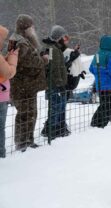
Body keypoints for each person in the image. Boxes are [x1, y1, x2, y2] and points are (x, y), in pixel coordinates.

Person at [9, 14, 48, 151]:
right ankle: (23, 143)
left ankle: (27, 140)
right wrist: (43, 60)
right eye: (31, 26)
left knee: (28, 114)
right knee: (26, 114)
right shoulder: (19, 42)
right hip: (22, 86)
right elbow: (26, 63)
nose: (33, 29)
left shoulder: (20, 40)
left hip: (26, 86)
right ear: (25, 27)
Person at [41, 25, 70, 139]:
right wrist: (60, 84)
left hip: (56, 84)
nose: (65, 39)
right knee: (55, 108)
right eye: (64, 37)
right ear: (59, 38)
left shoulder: (55, 49)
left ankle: (57, 129)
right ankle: (51, 131)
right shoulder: (53, 49)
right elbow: (54, 68)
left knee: (59, 107)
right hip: (55, 85)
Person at [90, 35, 111, 128]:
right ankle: (100, 123)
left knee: (103, 104)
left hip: (99, 85)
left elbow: (91, 68)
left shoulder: (97, 54)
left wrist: (99, 75)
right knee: (109, 105)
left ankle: (96, 122)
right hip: (109, 85)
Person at [0, 25, 18, 158]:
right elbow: (9, 72)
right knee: (0, 129)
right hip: (1, 96)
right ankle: (1, 155)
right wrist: (13, 55)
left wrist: (6, 57)